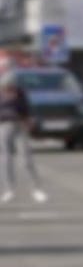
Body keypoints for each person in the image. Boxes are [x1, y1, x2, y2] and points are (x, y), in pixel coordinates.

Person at [0, 73, 47, 203]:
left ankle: (36, 189)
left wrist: (28, 121)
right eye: (7, 88)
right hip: (4, 126)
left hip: (20, 125)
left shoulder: (21, 93)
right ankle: (9, 189)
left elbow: (27, 109)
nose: (10, 90)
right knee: (6, 158)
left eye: (12, 87)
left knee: (26, 157)